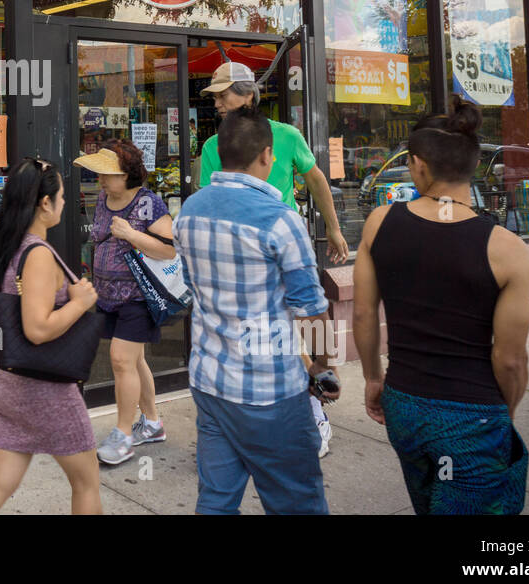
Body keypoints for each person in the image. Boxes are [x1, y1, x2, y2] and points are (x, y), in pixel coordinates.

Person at [353, 96, 529, 515]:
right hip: (473, 415)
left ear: (417, 164)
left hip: (404, 406)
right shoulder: (506, 249)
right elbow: (510, 360)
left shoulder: (380, 222)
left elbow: (363, 314)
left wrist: (373, 379)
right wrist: (500, 414)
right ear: (472, 167)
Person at [176, 108, 335, 514]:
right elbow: (311, 310)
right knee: (297, 502)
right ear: (266, 155)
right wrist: (320, 366)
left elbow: (194, 291)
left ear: (220, 153)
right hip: (270, 391)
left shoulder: (189, 212)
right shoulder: (282, 220)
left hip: (210, 381)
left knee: (215, 499)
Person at [198, 60, 347, 456]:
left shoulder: (285, 135)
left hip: (285, 243)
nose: (218, 102)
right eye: (214, 96)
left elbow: (315, 177)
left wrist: (332, 227)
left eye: (224, 93)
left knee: (307, 317)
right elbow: (209, 200)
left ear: (249, 95)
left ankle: (315, 406)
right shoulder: (214, 146)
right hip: (238, 256)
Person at [0, 157, 101, 514]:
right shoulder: (37, 253)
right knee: (86, 483)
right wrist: (80, 302)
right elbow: (37, 329)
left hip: (10, 384)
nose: (66, 203)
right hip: (44, 389)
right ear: (44, 203)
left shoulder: (10, 246)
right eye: (63, 196)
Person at [73, 140, 175, 466]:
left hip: (138, 296)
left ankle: (123, 437)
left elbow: (171, 248)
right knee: (135, 360)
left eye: (107, 175)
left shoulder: (148, 204)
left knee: (120, 360)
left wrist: (132, 234)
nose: (101, 181)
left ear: (127, 175)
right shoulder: (104, 198)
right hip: (108, 294)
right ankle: (153, 423)